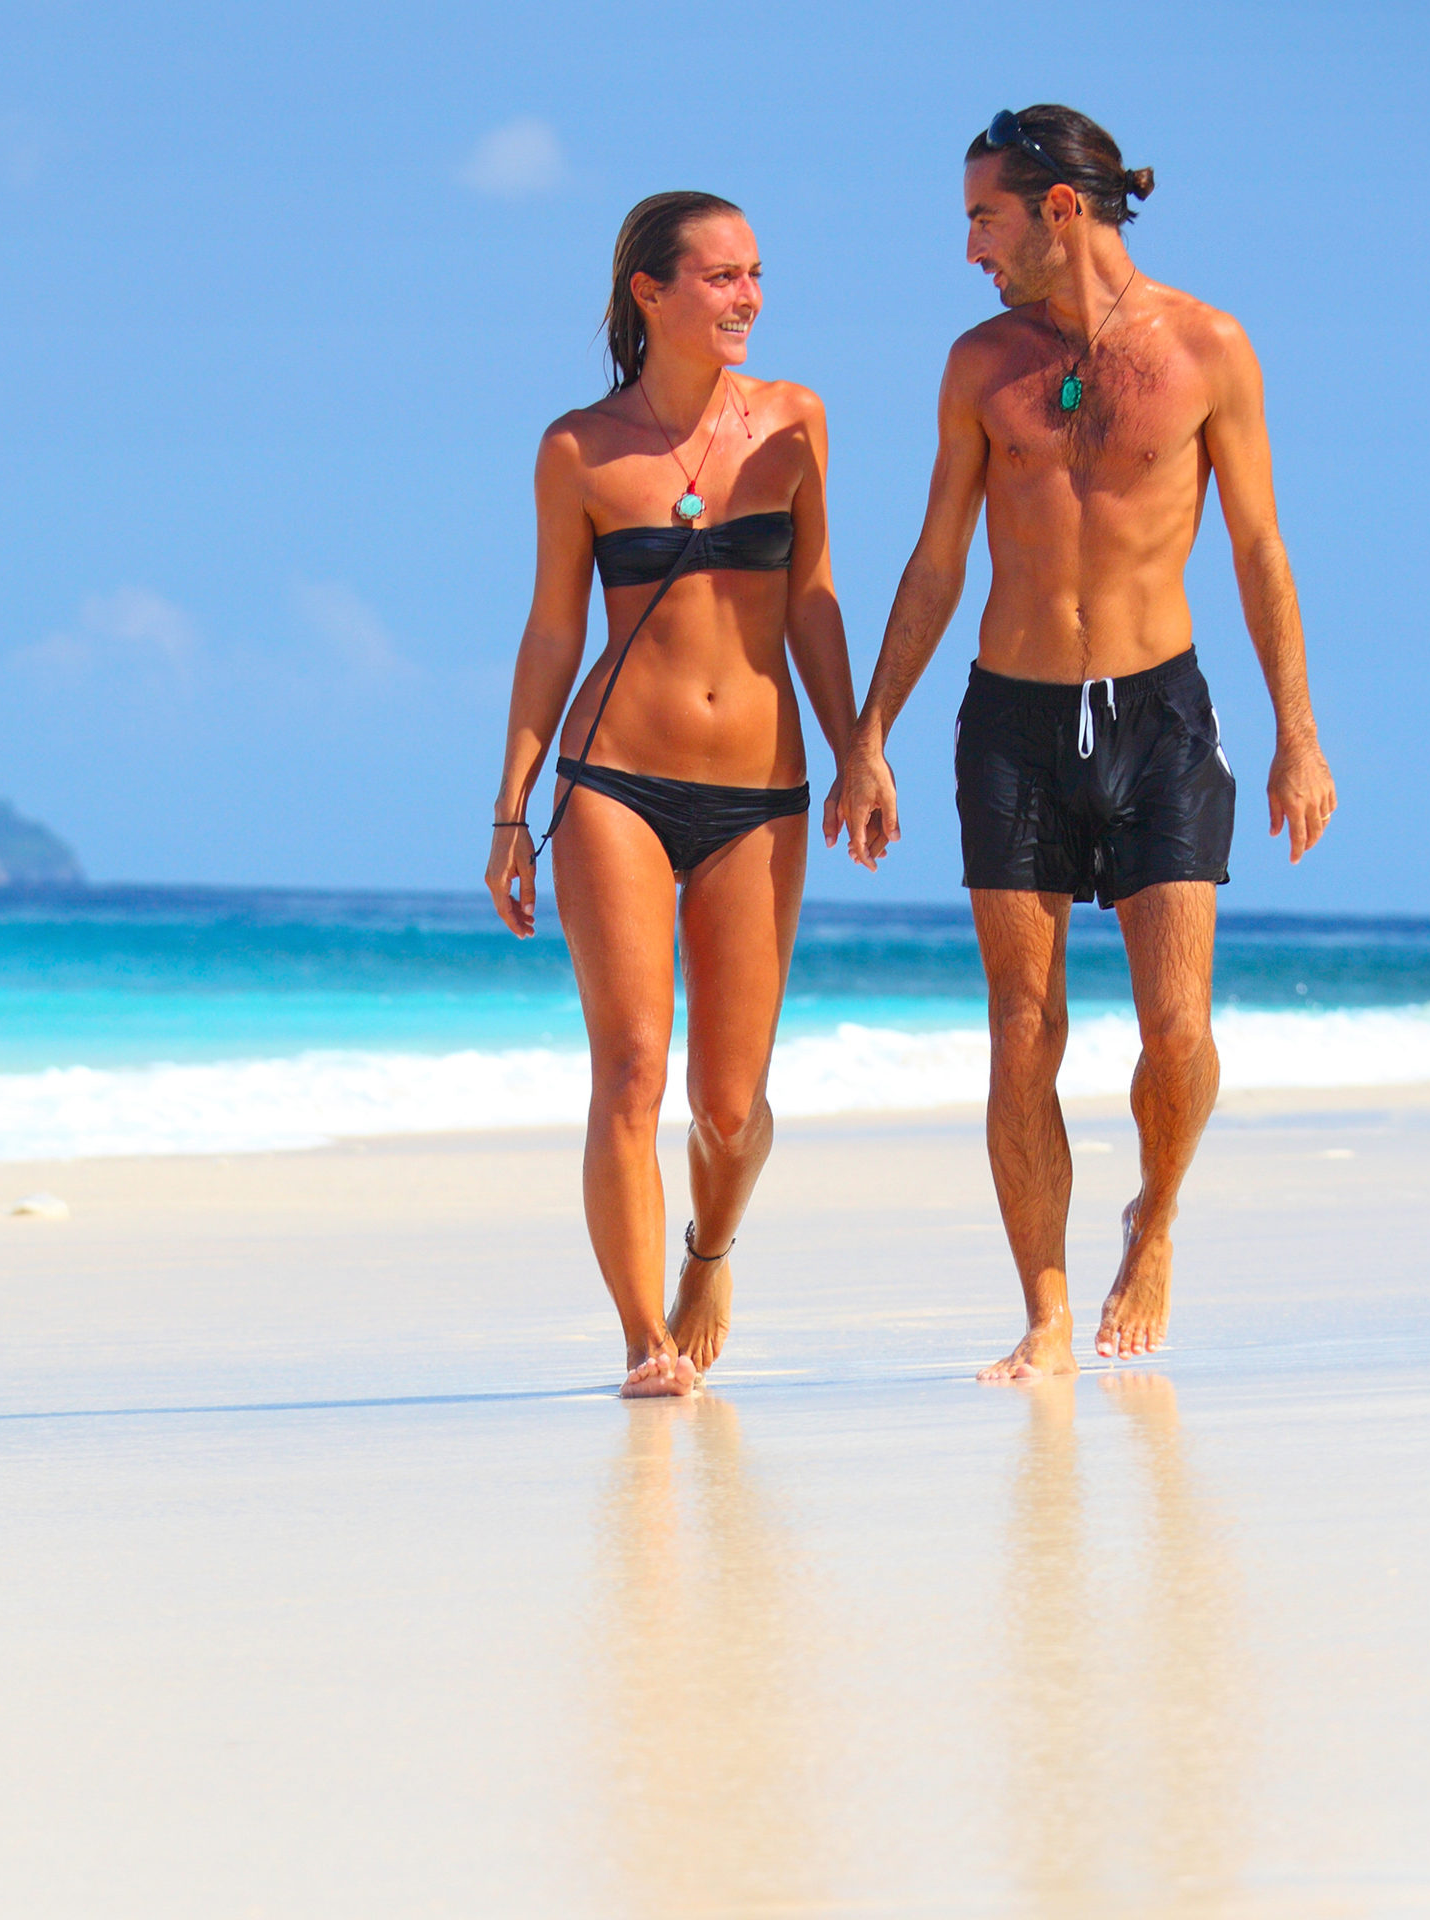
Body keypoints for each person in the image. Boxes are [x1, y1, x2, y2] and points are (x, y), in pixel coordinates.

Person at [828, 107, 1336, 1381]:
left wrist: (1299, 737)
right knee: (1021, 1031)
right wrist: (870, 734)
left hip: (1160, 715)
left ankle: (1154, 1218)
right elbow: (939, 556)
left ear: (1062, 209)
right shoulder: (977, 364)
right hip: (1012, 719)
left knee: (1176, 1032)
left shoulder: (1210, 348)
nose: (970, 250)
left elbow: (1260, 549)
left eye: (983, 218)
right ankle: (1048, 1315)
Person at [486, 191, 857, 1397]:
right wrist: (510, 807)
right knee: (633, 1069)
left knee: (730, 1106)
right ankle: (643, 1339)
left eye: (756, 274)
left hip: (761, 788)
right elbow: (552, 632)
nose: (748, 297)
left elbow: (811, 601)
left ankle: (709, 1253)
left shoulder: (794, 422)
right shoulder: (579, 448)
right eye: (720, 277)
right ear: (651, 292)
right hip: (616, 783)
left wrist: (862, 751)